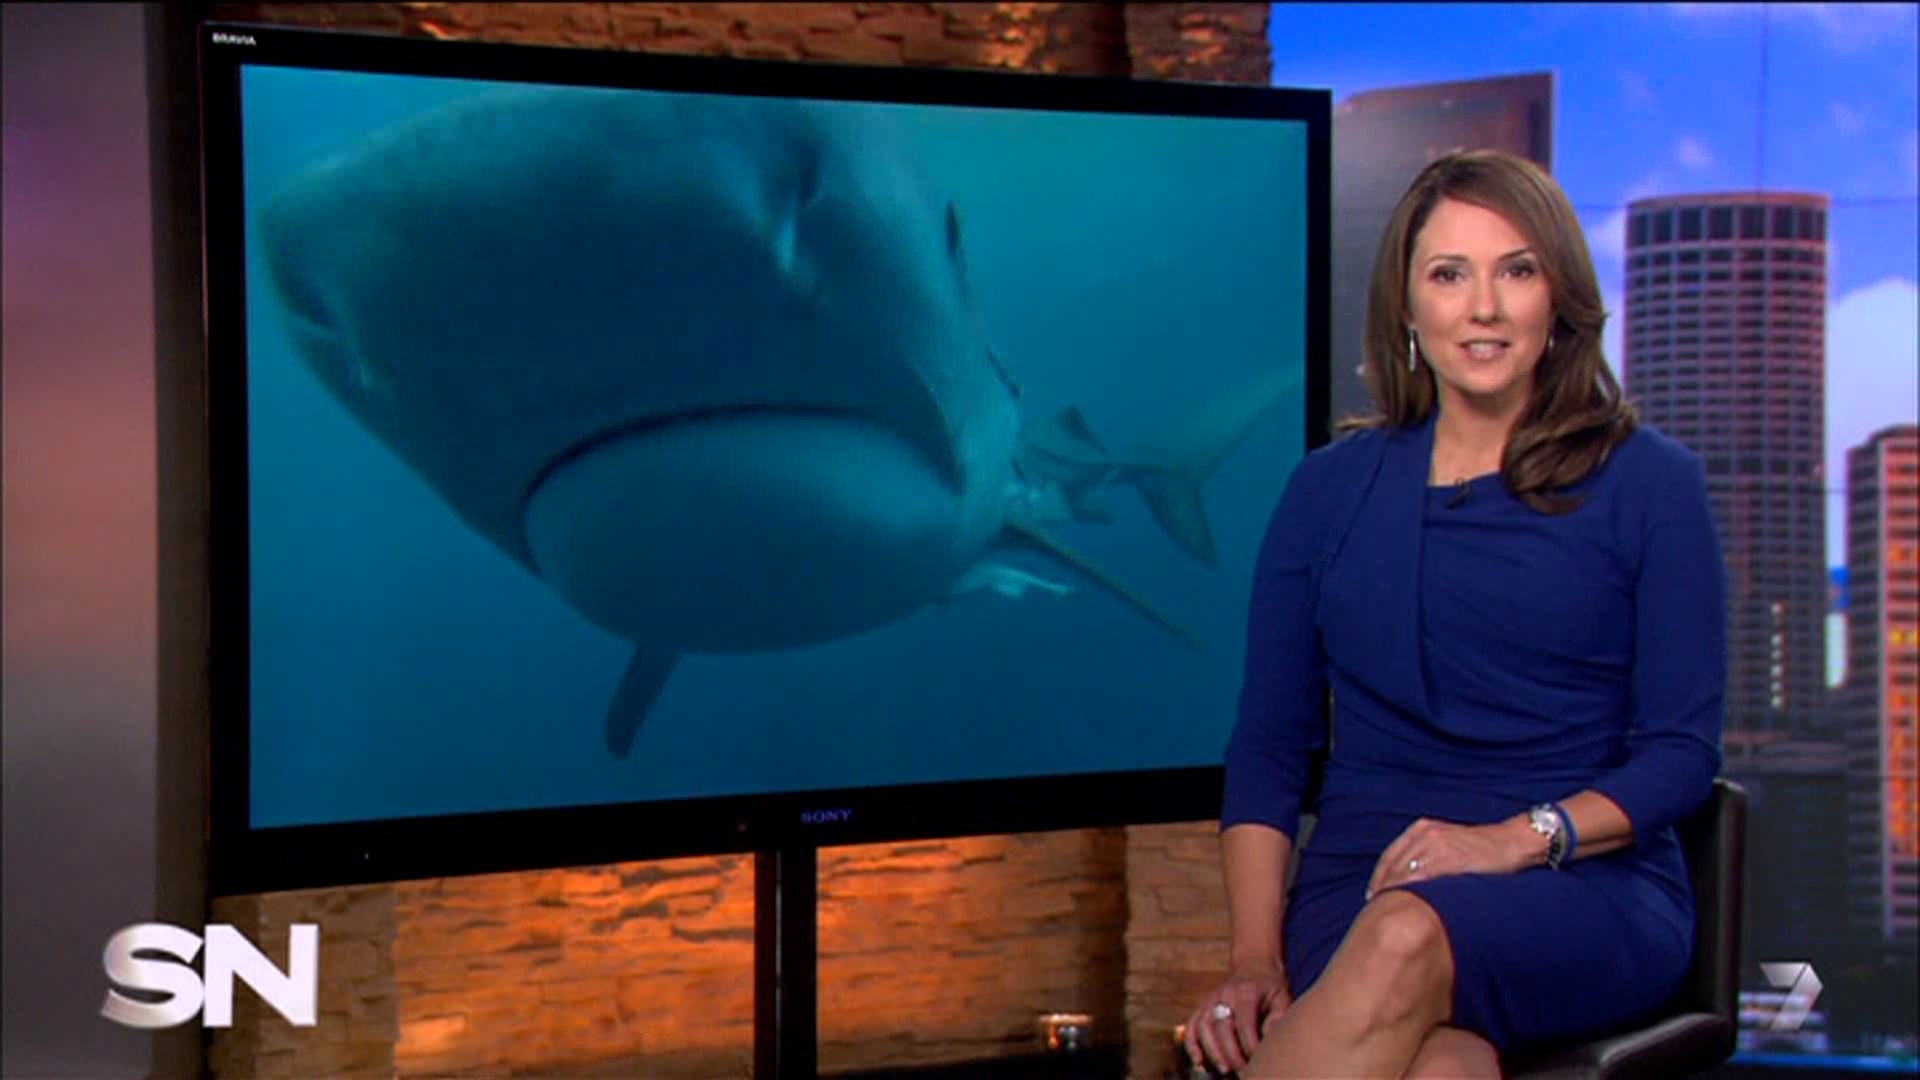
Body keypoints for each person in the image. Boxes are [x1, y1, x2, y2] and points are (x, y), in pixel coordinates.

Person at [1183, 149, 1727, 1078]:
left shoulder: (1651, 484)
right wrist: (1253, 960)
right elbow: (1269, 748)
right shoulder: (1326, 493)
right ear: (1406, 304)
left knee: (1405, 939)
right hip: (1364, 877)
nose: (1484, 308)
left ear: (1558, 296)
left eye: (1516, 271)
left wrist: (1511, 842)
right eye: (1448, 275)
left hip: (1583, 885)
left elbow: (1681, 757)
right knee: (1443, 1067)